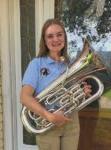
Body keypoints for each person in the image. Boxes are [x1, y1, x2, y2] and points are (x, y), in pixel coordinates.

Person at [20, 18, 91, 150]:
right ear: (45, 40)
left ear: (64, 37)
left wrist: (82, 92)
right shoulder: (36, 64)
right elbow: (25, 97)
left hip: (71, 121)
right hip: (47, 121)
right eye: (50, 36)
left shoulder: (70, 64)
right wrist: (49, 116)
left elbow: (70, 94)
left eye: (59, 34)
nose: (55, 39)